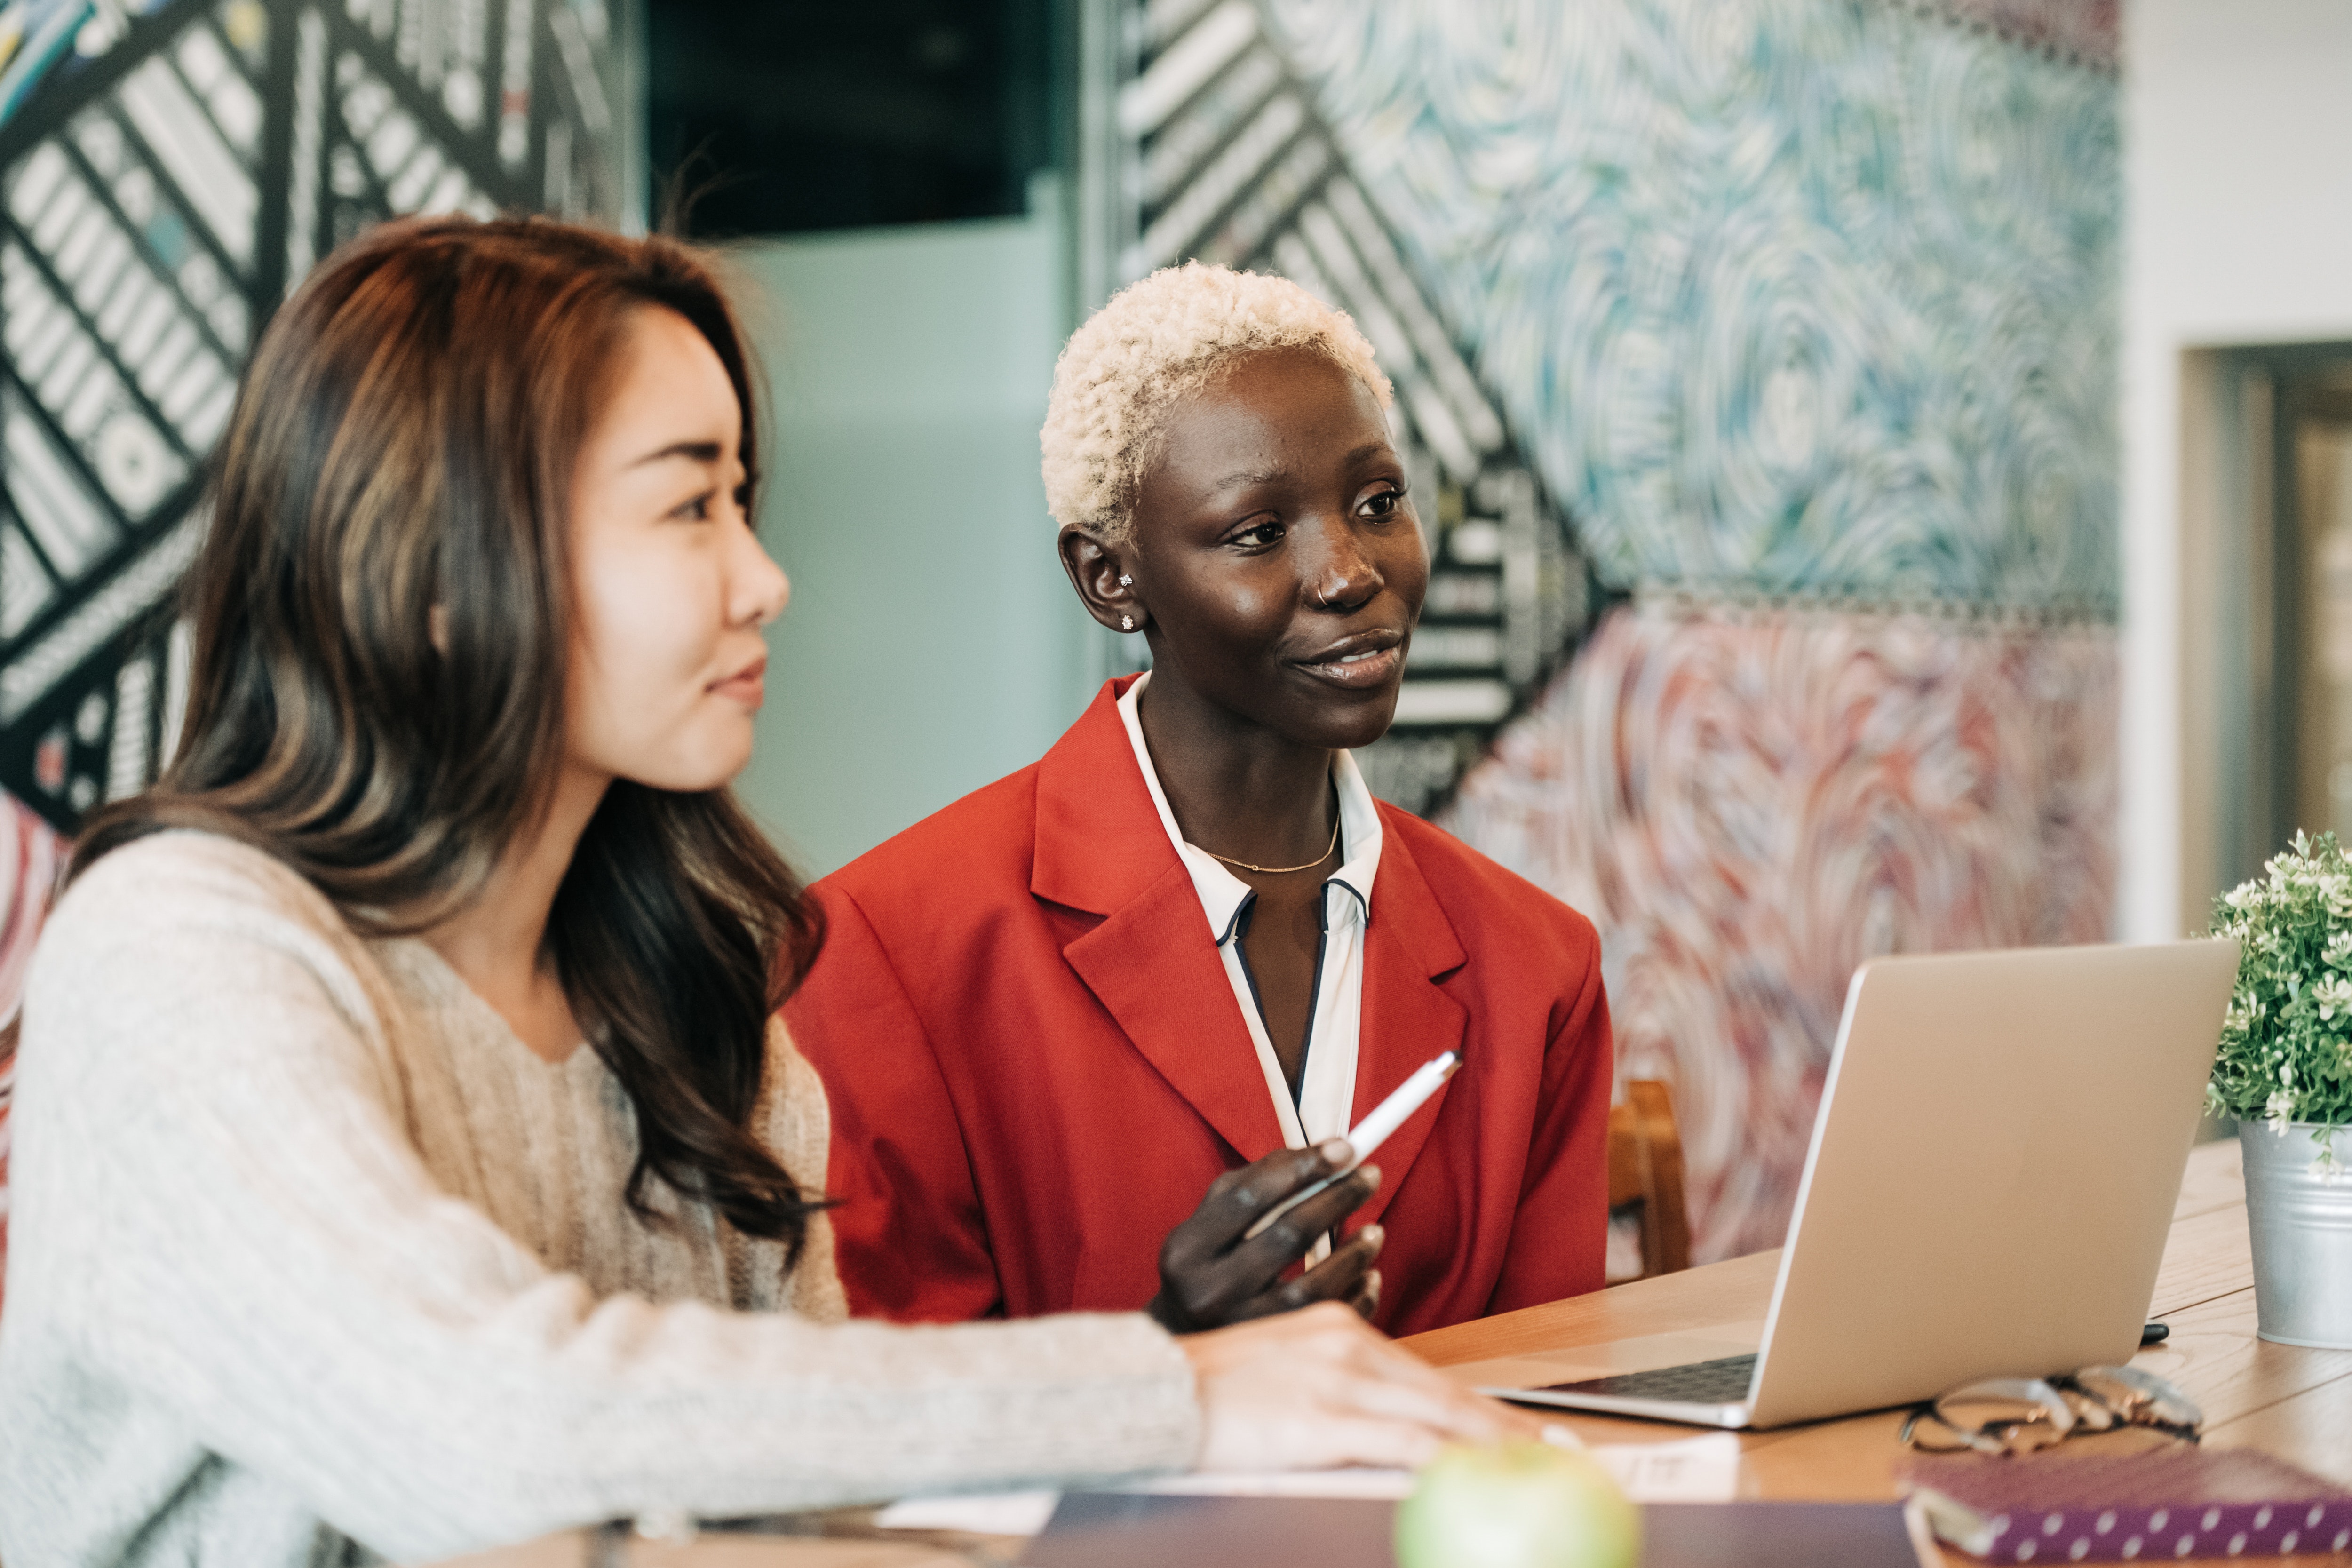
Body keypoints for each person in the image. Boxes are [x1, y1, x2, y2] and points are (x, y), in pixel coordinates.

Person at [0, 219, 1532, 1568]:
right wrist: (1173, 1393)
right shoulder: (178, 951)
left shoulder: (686, 978)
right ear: (437, 566)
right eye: (687, 509)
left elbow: (806, 1494)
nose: (763, 576)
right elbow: (496, 1436)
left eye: (744, 499)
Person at [785, 263, 1614, 1339]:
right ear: (1109, 579)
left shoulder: (1534, 966)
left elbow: (1554, 1404)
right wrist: (1161, 1354)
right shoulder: (885, 949)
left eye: (1377, 503)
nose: (1349, 571)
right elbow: (878, 1436)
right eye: (1258, 533)